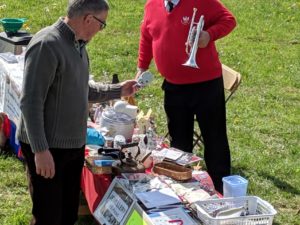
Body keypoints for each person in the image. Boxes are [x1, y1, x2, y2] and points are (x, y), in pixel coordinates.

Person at [17, 0, 136, 224]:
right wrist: (40, 150)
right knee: (48, 216)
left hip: (72, 145)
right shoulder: (47, 45)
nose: (101, 30)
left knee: (67, 214)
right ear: (88, 19)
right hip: (49, 147)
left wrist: (119, 90)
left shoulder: (78, 45)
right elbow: (30, 103)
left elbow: (84, 89)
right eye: (102, 24)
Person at [136, 0, 236, 193]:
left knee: (215, 139)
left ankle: (221, 191)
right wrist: (142, 67)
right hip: (174, 87)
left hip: (206, 84)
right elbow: (147, 36)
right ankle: (183, 190)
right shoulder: (152, 5)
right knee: (179, 143)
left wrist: (209, 34)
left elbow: (229, 20)